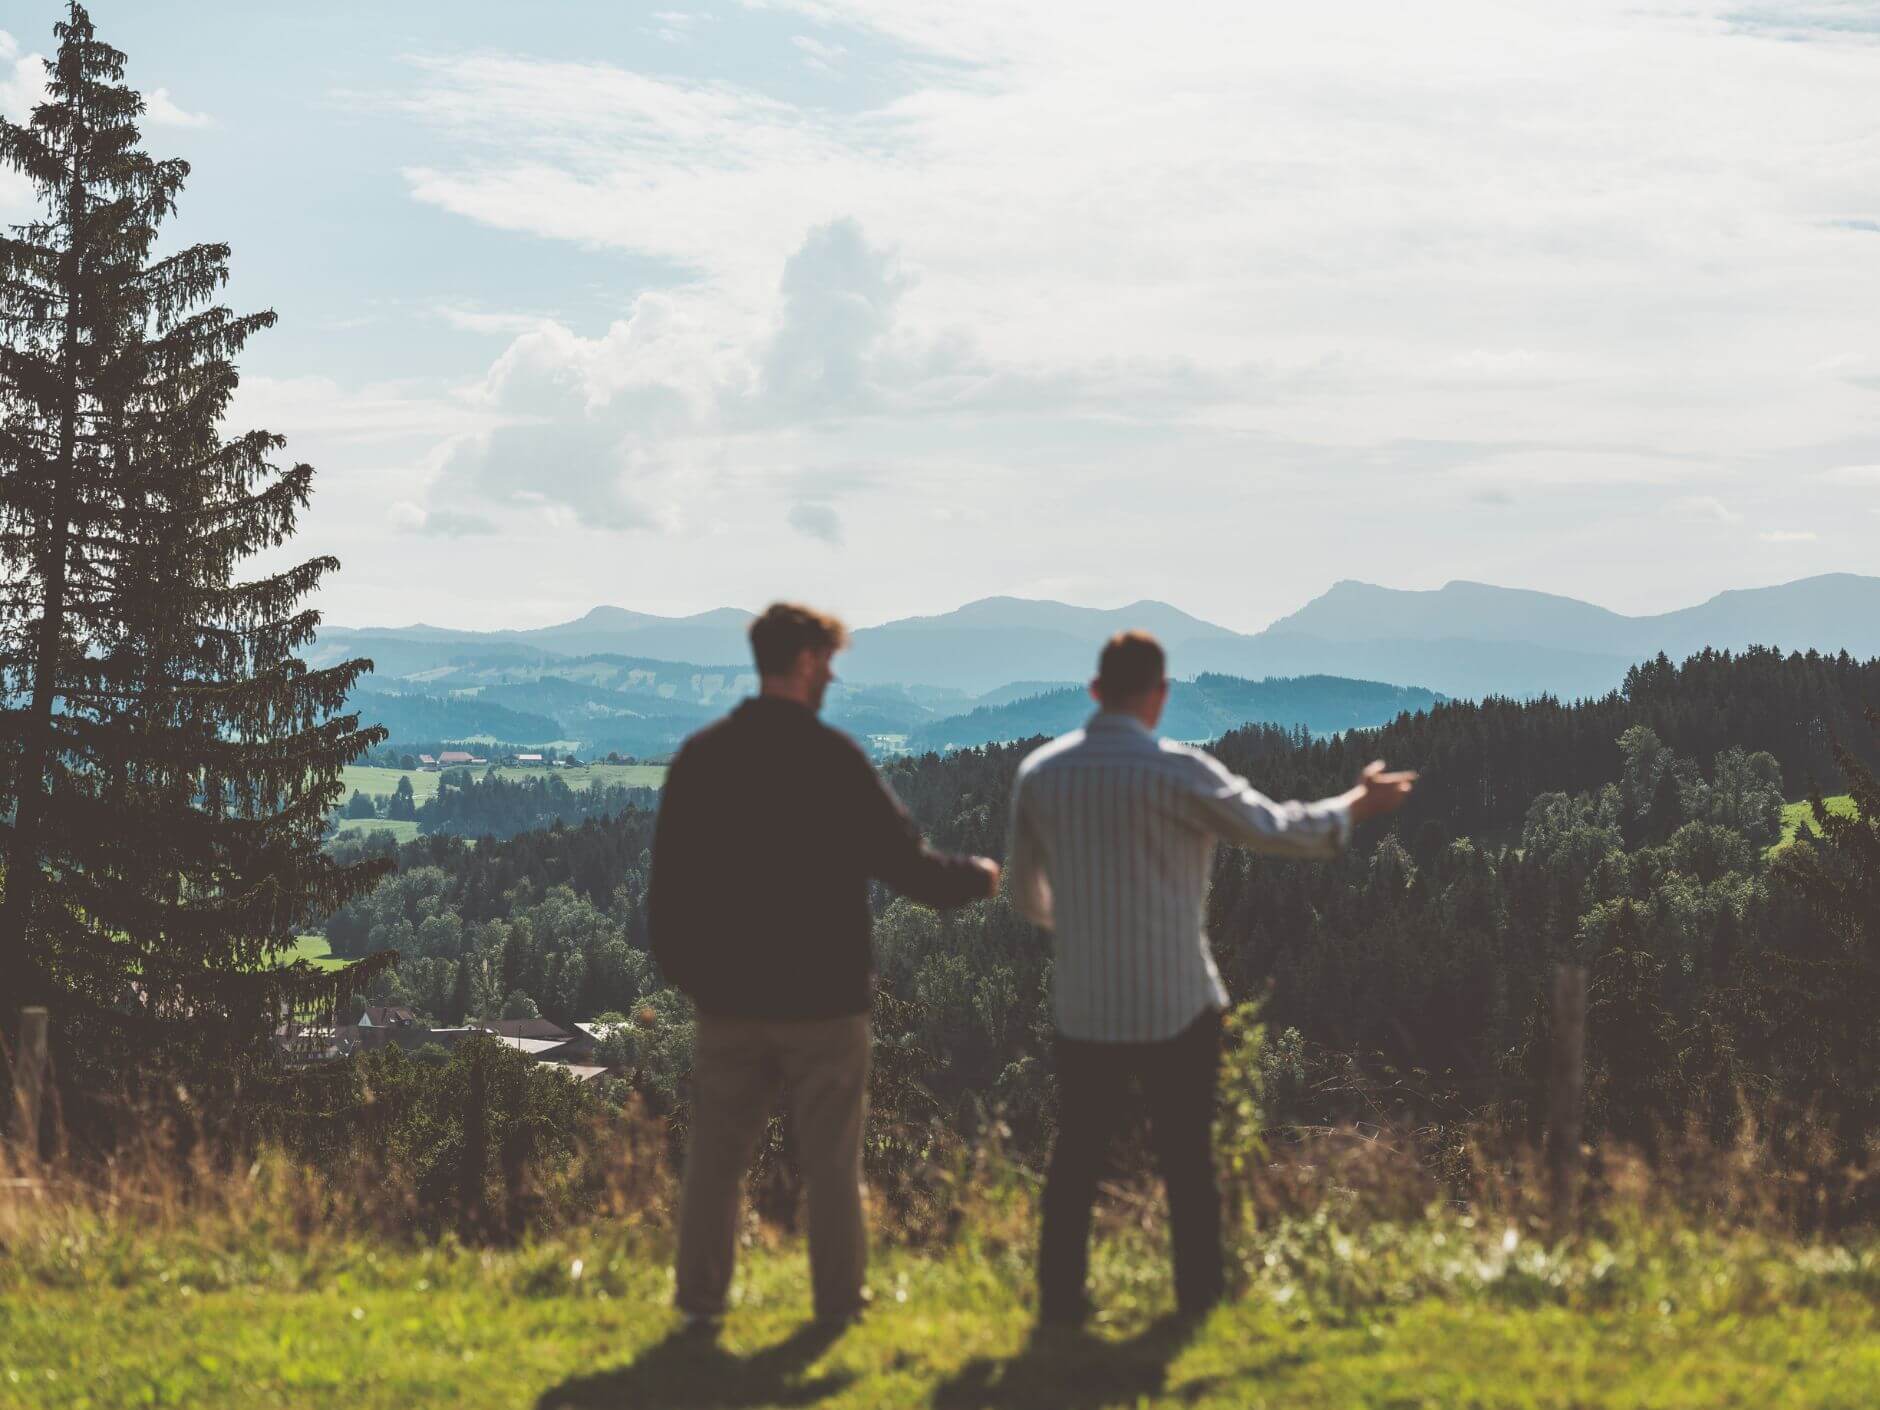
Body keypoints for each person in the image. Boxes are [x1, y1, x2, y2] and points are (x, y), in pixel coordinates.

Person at [1003, 630, 1414, 1326]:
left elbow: (1022, 894)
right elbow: (1278, 828)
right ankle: (1197, 1301)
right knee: (1188, 1160)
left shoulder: (1042, 775)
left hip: (1085, 1004)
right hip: (1177, 999)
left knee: (1076, 1158)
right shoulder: (1181, 772)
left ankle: (1061, 1306)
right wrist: (1357, 804)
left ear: (1096, 692)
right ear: (1160, 697)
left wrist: (1078, 930)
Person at [650, 602, 1000, 1330]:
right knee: (833, 1166)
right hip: (826, 1003)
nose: (833, 675)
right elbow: (910, 867)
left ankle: (698, 1310)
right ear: (806, 662)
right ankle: (838, 1306)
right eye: (829, 661)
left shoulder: (703, 757)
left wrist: (696, 980)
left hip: (730, 1002)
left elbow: (670, 892)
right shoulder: (835, 760)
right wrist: (980, 875)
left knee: (715, 1162)